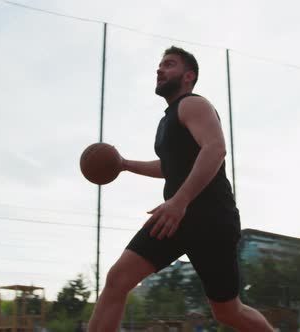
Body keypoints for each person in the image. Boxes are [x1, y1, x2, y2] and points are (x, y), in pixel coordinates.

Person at [87, 46, 274, 332]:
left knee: (228, 311)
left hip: (210, 218)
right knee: (118, 279)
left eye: (169, 64)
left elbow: (215, 148)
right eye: (160, 65)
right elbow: (169, 167)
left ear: (189, 76)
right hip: (175, 218)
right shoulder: (167, 120)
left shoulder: (193, 104)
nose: (160, 70)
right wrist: (124, 164)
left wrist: (180, 200)